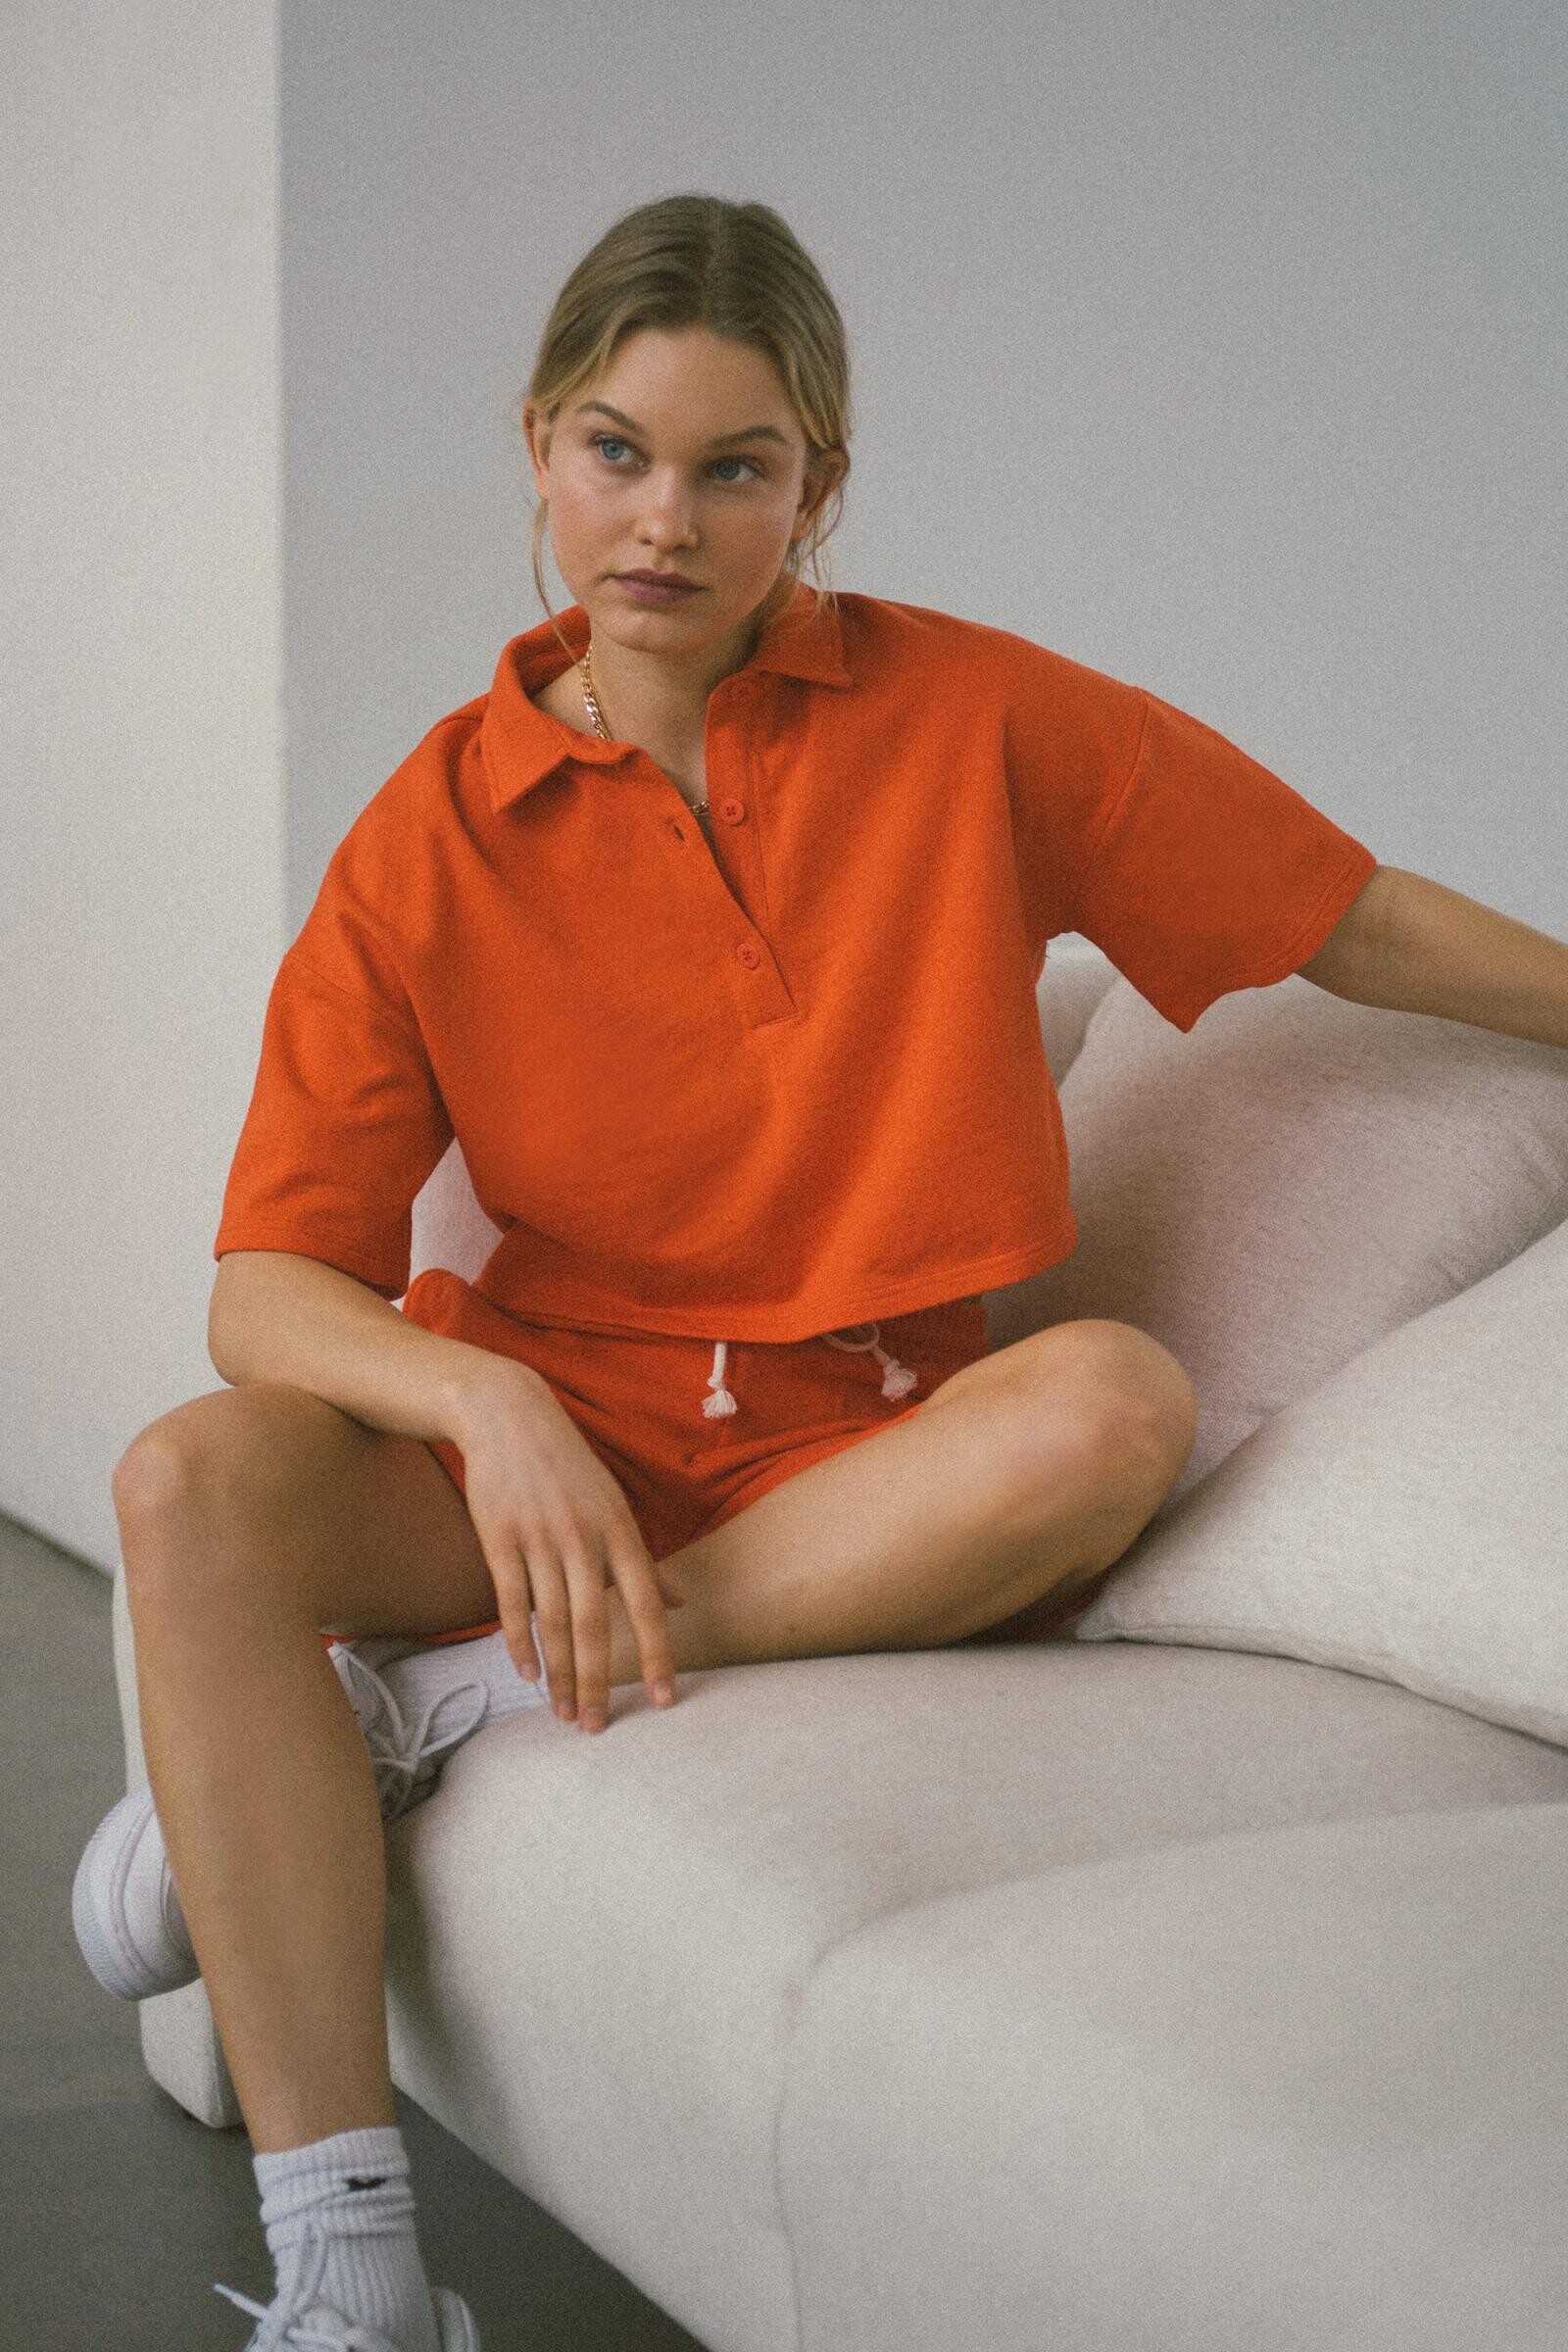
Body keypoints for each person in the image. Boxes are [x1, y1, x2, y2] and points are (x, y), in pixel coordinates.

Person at [72, 189, 1391, 2349]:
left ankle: (446, 1698)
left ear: (816, 488)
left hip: (855, 1457)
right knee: (185, 1483)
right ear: (536, 445)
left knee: (1110, 1403)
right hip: (552, 1435)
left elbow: (1343, 912)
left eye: (732, 467)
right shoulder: (430, 834)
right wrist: (486, 1396)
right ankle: (352, 2277)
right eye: (615, 450)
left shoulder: (979, 717)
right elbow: (266, 1288)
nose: (661, 521)